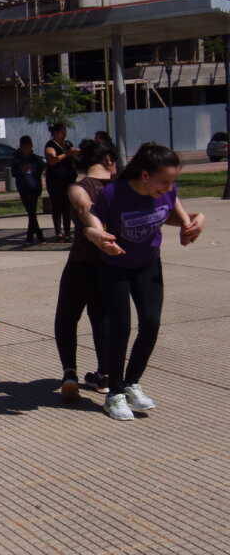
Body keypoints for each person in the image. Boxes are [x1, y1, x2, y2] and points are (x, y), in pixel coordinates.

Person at [85, 143, 205, 420]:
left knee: (151, 323)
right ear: (145, 175)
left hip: (148, 265)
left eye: (173, 181)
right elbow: (91, 222)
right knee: (121, 328)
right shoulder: (114, 194)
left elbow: (177, 213)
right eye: (164, 181)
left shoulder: (167, 191)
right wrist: (99, 237)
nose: (169, 187)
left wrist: (194, 223)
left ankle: (131, 384)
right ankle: (114, 393)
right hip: (114, 267)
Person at [54, 140, 116, 402]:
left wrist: (97, 232)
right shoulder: (121, 188)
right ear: (109, 160)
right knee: (101, 318)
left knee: (67, 317)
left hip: (81, 262)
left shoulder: (79, 187)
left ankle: (70, 373)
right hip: (112, 263)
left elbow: (84, 207)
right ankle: (104, 375)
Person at [44, 123, 78, 241]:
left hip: (68, 181)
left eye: (65, 131)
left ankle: (68, 232)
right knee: (57, 207)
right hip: (55, 182)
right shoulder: (50, 145)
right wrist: (67, 154)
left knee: (67, 207)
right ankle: (59, 232)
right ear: (56, 133)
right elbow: (52, 160)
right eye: (62, 131)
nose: (65, 134)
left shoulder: (68, 144)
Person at [11, 135, 46, 244]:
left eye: (29, 146)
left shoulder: (36, 158)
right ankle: (37, 236)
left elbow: (41, 169)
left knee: (32, 212)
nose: (27, 148)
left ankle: (32, 237)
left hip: (34, 187)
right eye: (25, 146)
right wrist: (22, 170)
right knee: (31, 212)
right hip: (23, 187)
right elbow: (14, 173)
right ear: (21, 146)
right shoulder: (16, 159)